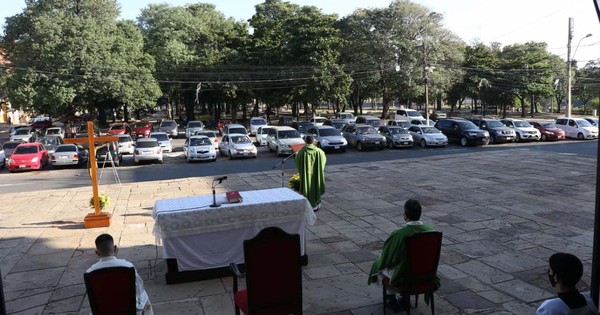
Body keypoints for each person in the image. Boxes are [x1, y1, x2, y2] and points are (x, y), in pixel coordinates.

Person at [367, 199, 436, 312]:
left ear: (405, 216)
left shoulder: (399, 235)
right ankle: (405, 300)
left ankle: (391, 299)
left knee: (378, 266)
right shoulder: (431, 232)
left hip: (405, 276)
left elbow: (387, 257)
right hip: (426, 275)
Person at [86, 234, 153, 315]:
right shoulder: (128, 267)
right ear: (115, 248)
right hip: (127, 309)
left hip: (103, 310)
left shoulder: (90, 273)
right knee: (142, 294)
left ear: (97, 253)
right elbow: (139, 290)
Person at [294, 135, 326, 211]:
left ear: (305, 141)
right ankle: (316, 205)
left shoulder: (302, 152)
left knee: (307, 188)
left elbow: (297, 161)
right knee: (316, 187)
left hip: (306, 175)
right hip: (316, 174)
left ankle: (308, 205)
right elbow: (323, 161)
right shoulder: (319, 151)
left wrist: (296, 155)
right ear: (313, 141)